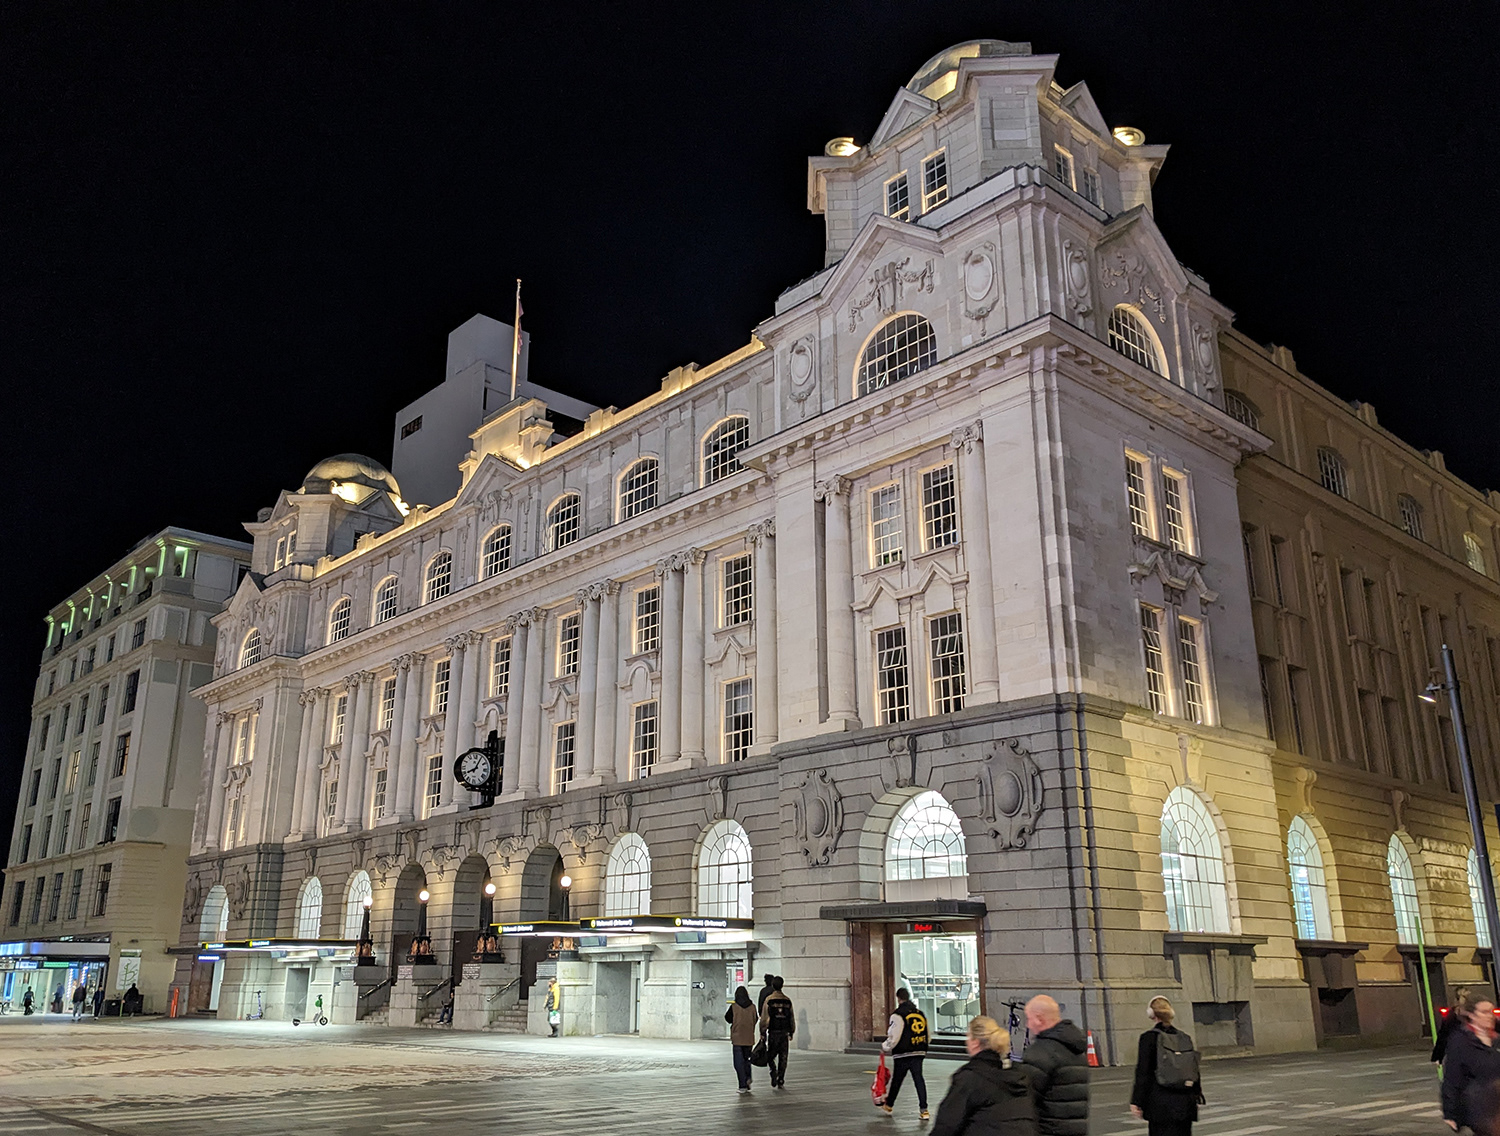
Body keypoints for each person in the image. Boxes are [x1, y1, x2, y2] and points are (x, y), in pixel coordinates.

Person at [930, 1016, 1038, 1136]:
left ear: (975, 1043)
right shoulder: (1019, 1076)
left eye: (968, 1036)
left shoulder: (970, 1077)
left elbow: (947, 1124)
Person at [1129, 996, 1202, 1136]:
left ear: (1152, 1014)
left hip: (1160, 1102)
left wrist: (1136, 1101)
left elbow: (1143, 1072)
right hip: (1185, 1102)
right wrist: (1196, 1096)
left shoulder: (1148, 1038)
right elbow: (1193, 1069)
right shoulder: (1184, 1037)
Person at [1020, 995, 1090, 1136]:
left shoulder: (1040, 1053)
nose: (1028, 1025)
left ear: (1040, 1019)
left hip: (1048, 1130)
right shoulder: (1075, 1048)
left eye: (1029, 1018)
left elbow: (1025, 1099)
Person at [1442, 992, 1500, 1134]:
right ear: (1472, 1015)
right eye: (1484, 1012)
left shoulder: (1497, 1039)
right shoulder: (1461, 1042)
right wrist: (1450, 1113)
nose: (1490, 1016)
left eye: (1491, 1012)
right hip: (1479, 1106)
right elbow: (1452, 1079)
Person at [880, 987, 931, 1119]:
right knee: (919, 1079)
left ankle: (889, 1105)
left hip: (903, 1052)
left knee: (897, 1079)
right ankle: (924, 1109)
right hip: (919, 1051)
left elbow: (894, 1035)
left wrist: (885, 1047)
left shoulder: (898, 1014)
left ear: (898, 998)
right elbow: (928, 1033)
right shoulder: (920, 1013)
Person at [760, 975, 795, 1089]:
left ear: (773, 986)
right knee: (783, 1056)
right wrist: (791, 1031)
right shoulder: (787, 1000)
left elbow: (765, 1017)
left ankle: (773, 1072)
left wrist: (762, 1031)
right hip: (784, 1032)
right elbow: (791, 1017)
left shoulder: (769, 1000)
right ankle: (781, 1078)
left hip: (773, 1032)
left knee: (770, 1055)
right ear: (782, 986)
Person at [724, 985, 758, 1093]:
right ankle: (748, 1078)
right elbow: (756, 1018)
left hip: (737, 1037)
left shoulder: (734, 1006)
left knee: (738, 1062)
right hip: (749, 1037)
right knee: (747, 1059)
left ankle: (742, 1085)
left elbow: (727, 1018)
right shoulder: (752, 1006)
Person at [1435, 987, 1472, 1065]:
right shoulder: (1454, 1014)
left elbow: (1443, 1035)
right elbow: (1443, 1035)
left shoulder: (1452, 1013)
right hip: (1462, 1050)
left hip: (1460, 1050)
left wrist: (1438, 1056)